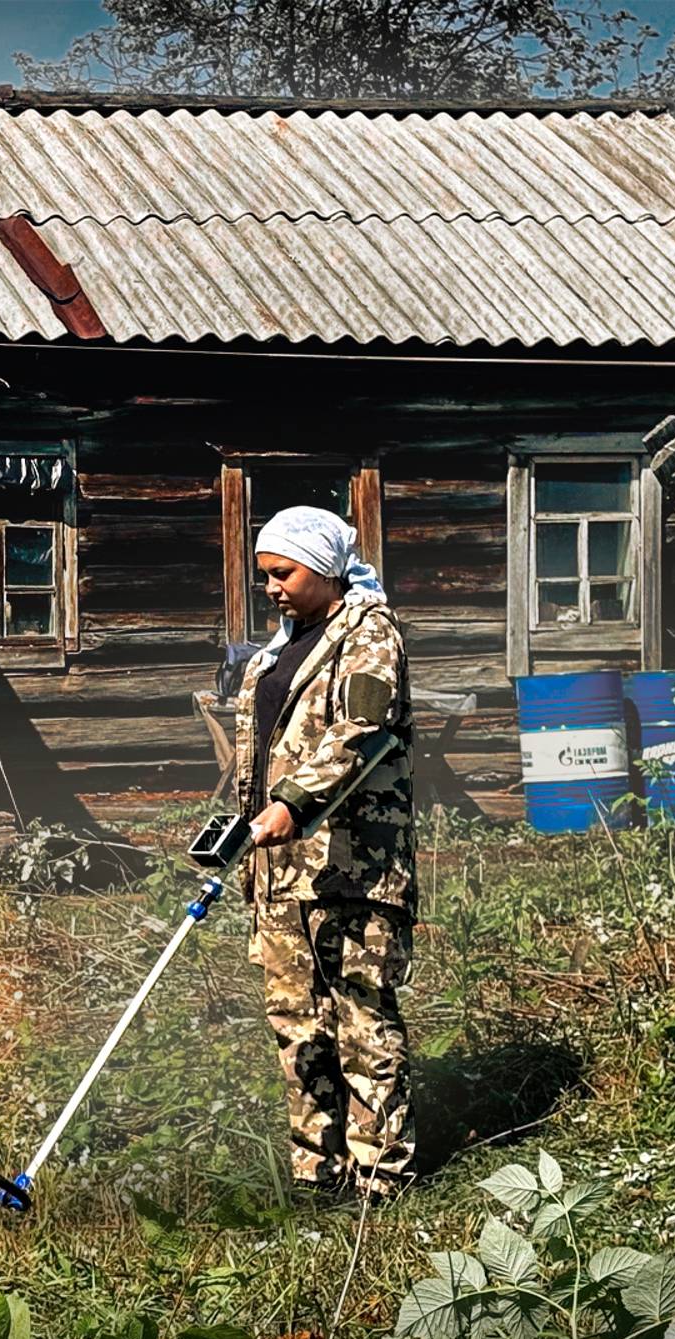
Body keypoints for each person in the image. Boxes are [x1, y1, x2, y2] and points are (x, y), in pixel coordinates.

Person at [230, 505, 418, 1201]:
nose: (272, 587)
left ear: (326, 566)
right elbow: (258, 761)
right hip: (278, 870)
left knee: (362, 1019)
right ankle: (318, 1171)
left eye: (284, 573)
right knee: (296, 1024)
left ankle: (380, 1177)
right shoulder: (279, 650)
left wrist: (294, 805)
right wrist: (240, 829)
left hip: (352, 865)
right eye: (265, 577)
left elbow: (361, 733)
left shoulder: (369, 633)